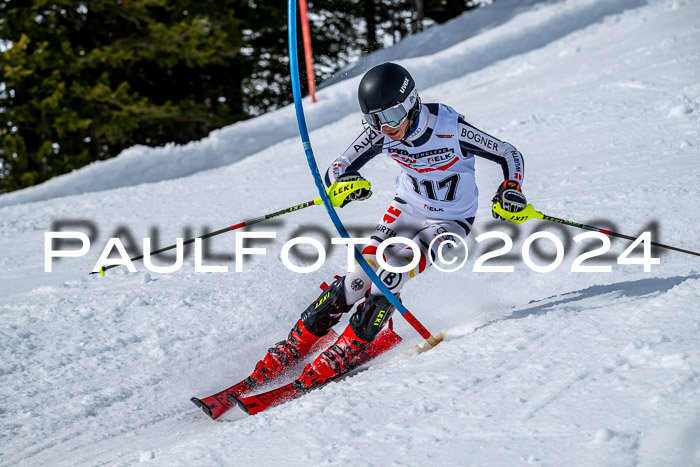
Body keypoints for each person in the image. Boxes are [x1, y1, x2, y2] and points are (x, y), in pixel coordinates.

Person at [246, 62, 527, 390]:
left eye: (392, 116)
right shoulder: (380, 133)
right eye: (374, 119)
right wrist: (346, 183)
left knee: (392, 270)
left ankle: (351, 346)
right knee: (358, 277)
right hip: (406, 210)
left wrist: (511, 188)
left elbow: (508, 152)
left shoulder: (449, 127)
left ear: (411, 103)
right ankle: (296, 344)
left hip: (450, 220)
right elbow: (337, 167)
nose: (385, 127)